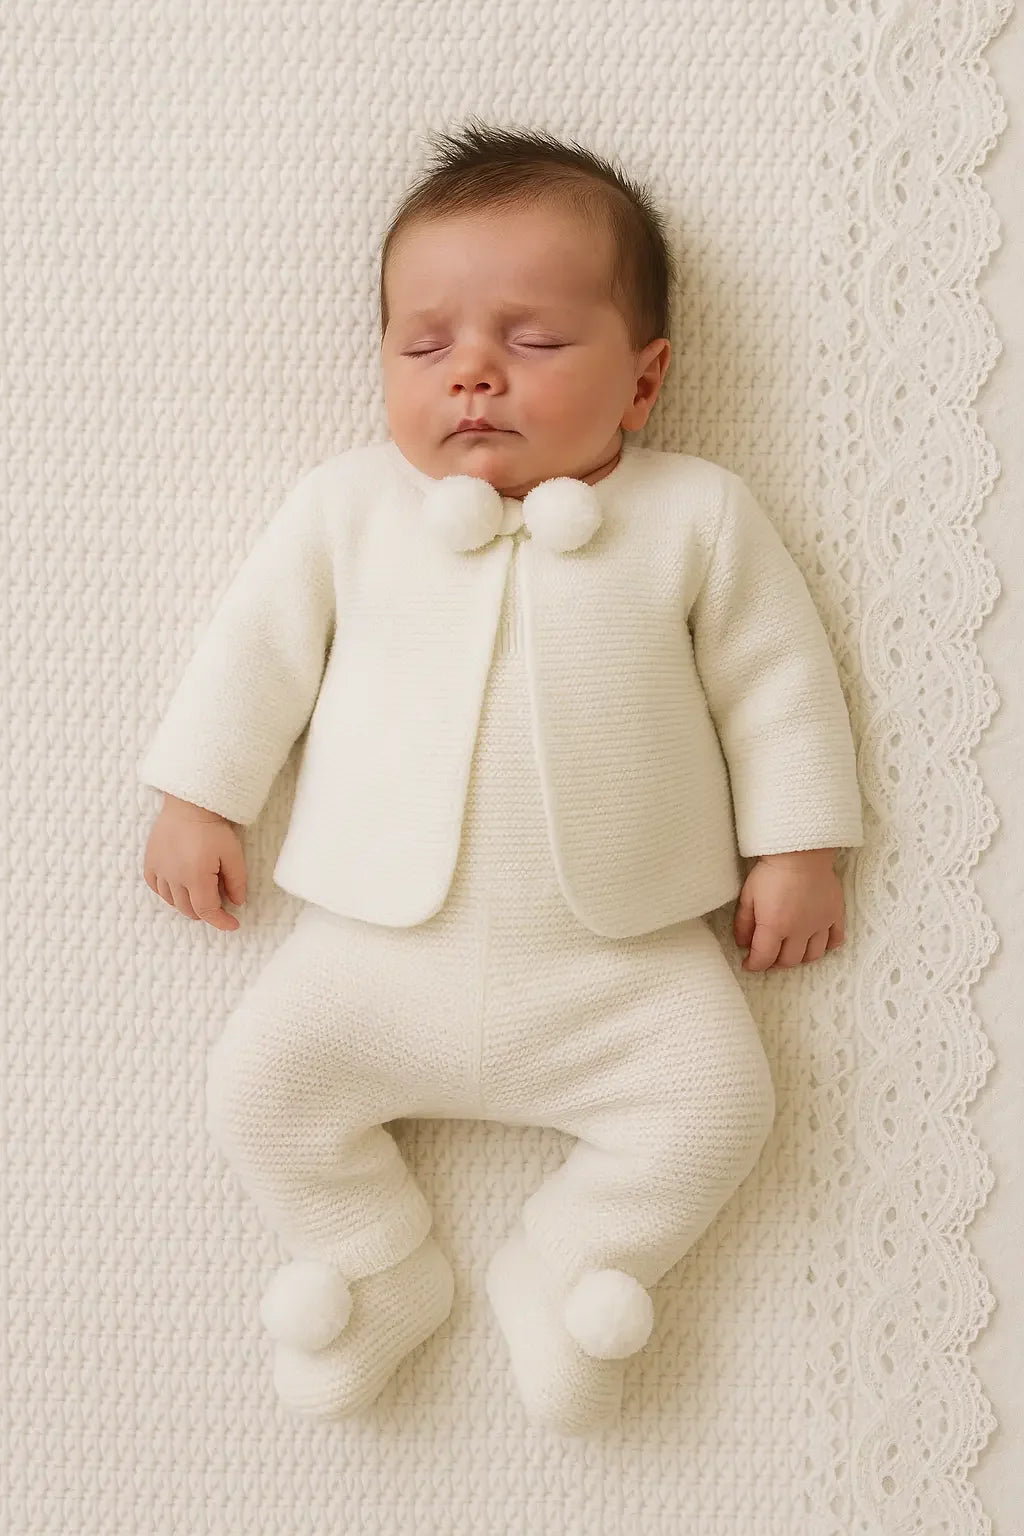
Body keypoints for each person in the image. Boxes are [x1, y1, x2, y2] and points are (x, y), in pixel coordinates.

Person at [139, 120, 863, 1436]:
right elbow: (255, 653)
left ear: (644, 384)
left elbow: (776, 679)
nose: (471, 373)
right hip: (369, 954)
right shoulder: (348, 509)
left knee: (718, 1105)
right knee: (257, 1085)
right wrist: (203, 794)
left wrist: (797, 847)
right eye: (425, 346)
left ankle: (575, 1263)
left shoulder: (695, 516)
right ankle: (374, 1264)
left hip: (619, 966)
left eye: (531, 342)